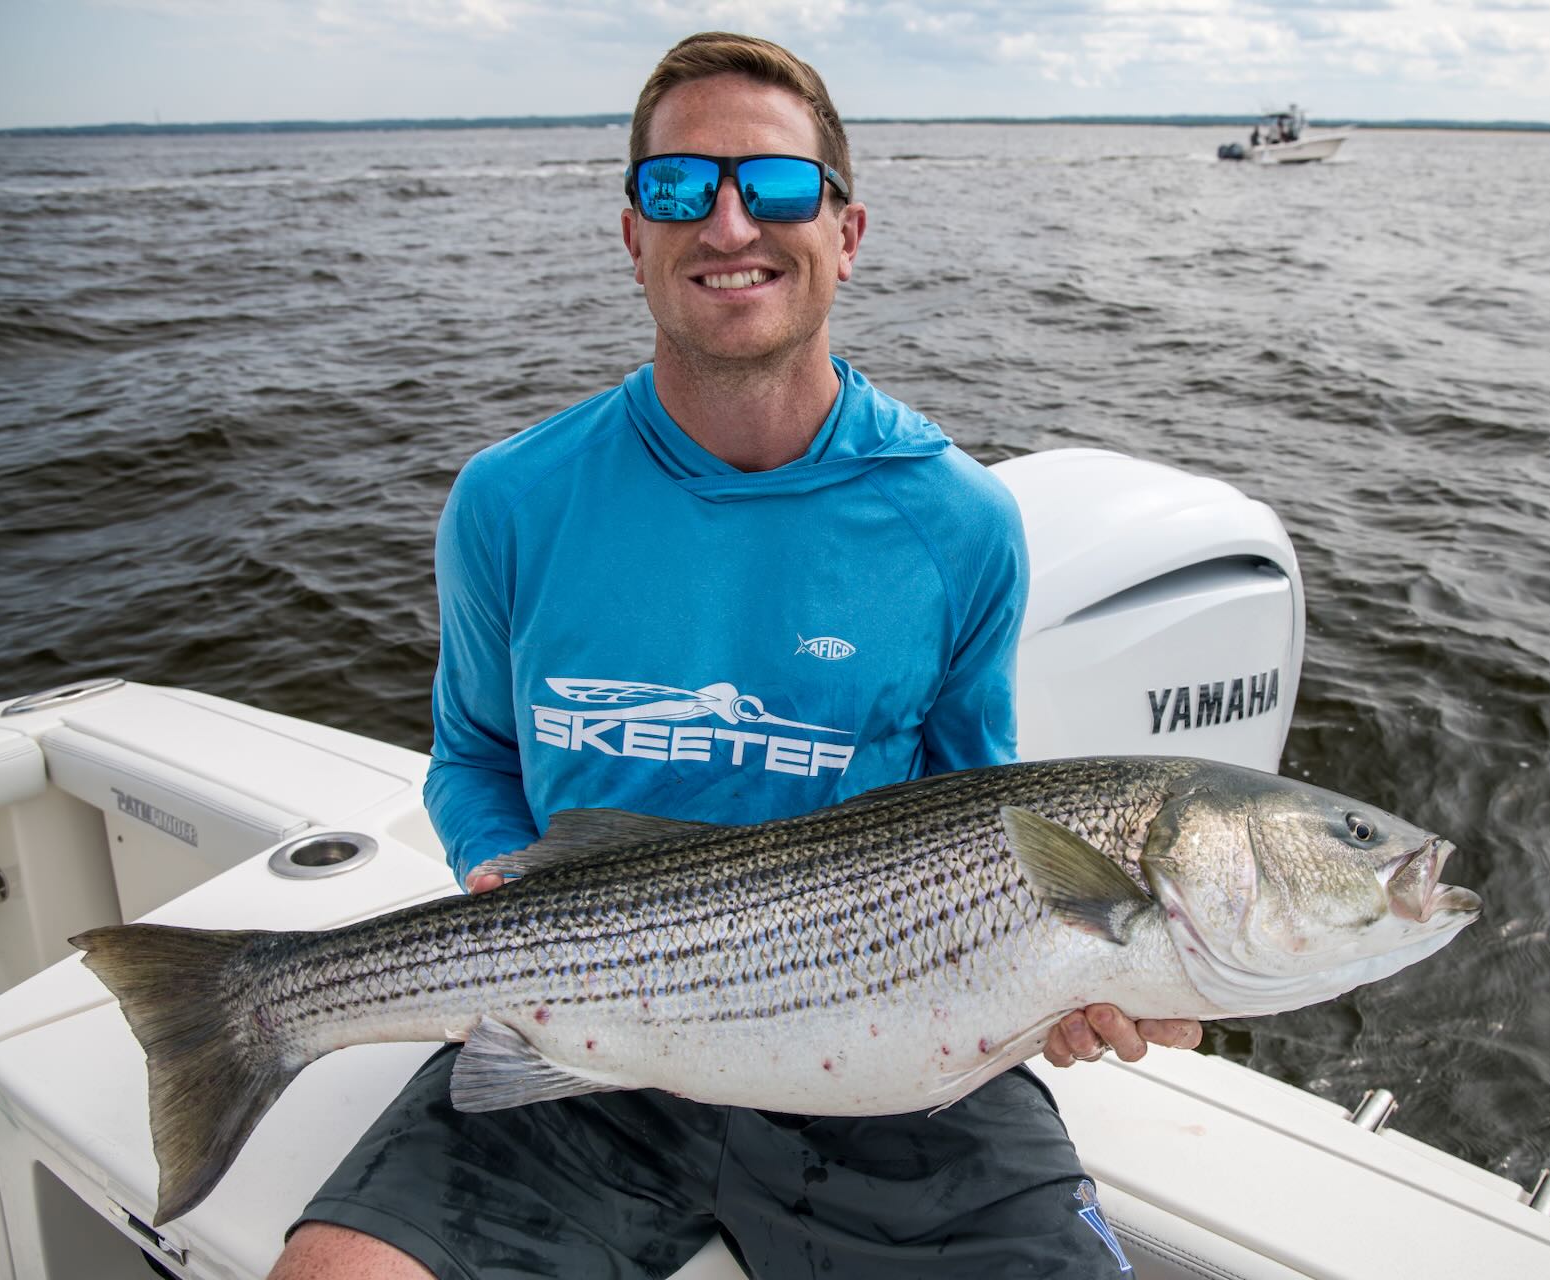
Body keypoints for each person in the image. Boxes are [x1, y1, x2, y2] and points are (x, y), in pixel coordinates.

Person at [269, 30, 1198, 1280]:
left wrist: (1059, 978)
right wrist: (498, 870)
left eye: (775, 185)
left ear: (846, 233)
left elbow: (982, 817)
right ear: (632, 235)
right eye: (677, 187)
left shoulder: (959, 522)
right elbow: (475, 754)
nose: (726, 223)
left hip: (888, 1043)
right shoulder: (510, 500)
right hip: (588, 1018)